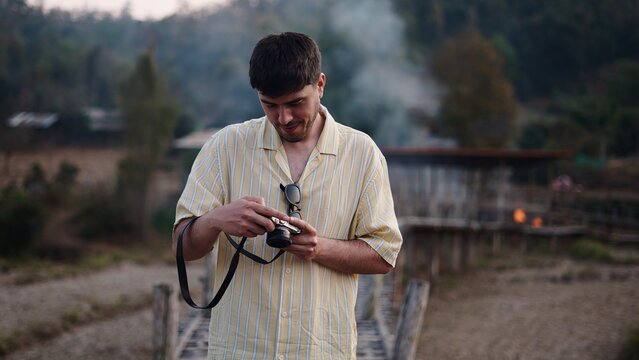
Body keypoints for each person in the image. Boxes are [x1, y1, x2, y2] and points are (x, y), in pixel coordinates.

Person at [173, 31, 402, 359]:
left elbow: (384, 255)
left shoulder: (363, 154)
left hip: (322, 351)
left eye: (296, 103)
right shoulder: (224, 147)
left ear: (320, 84)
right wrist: (215, 220)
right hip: (240, 350)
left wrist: (318, 247)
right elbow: (181, 247)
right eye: (270, 105)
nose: (284, 118)